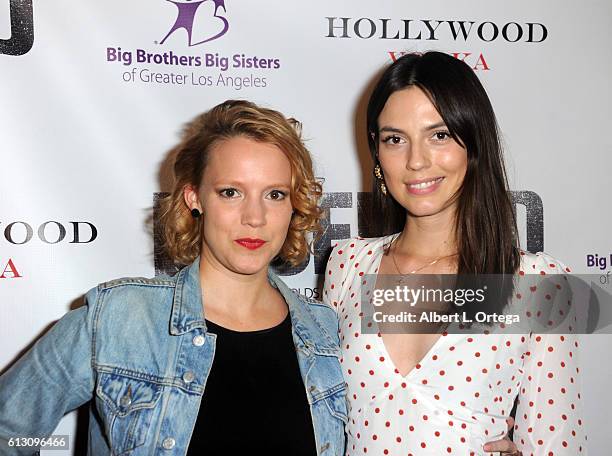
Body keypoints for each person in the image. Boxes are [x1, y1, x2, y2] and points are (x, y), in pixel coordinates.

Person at [0, 100, 347, 455]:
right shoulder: (118, 319)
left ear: (294, 205)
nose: (254, 217)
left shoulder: (325, 332)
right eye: (231, 192)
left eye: (275, 194)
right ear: (194, 197)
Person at [323, 52, 587, 455]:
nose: (416, 160)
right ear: (376, 153)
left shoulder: (537, 282)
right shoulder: (347, 264)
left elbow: (558, 445)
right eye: (395, 139)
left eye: (440, 135)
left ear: (474, 142)